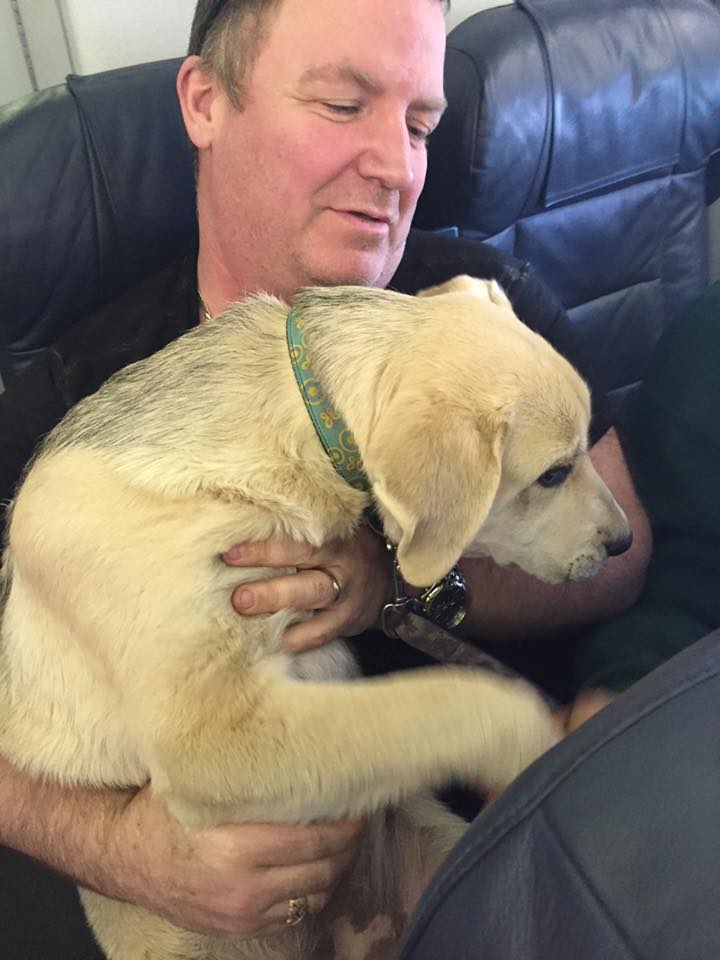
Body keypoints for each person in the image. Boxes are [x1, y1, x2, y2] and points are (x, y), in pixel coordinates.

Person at [0, 0, 651, 954]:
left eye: (420, 123)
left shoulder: (477, 302)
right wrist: (119, 850)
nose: (398, 168)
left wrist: (398, 579)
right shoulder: (57, 414)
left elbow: (622, 548)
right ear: (205, 103)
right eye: (344, 105)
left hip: (484, 846)